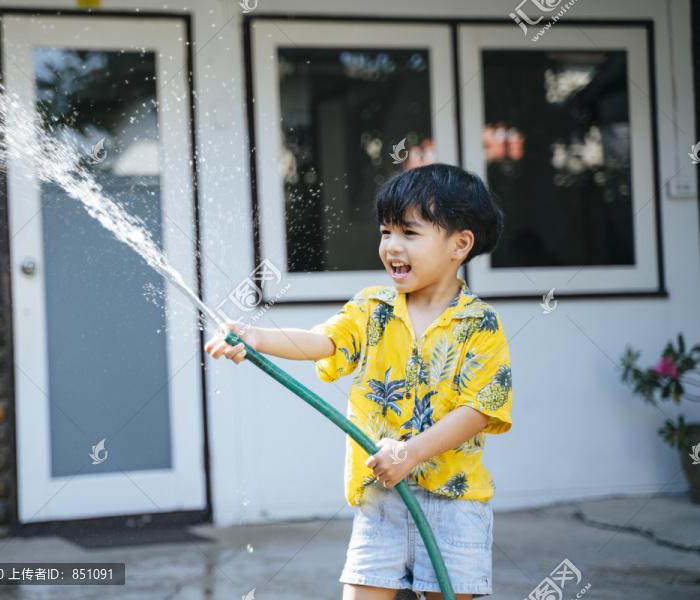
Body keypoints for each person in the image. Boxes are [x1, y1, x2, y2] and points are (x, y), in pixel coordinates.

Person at [205, 163, 513, 600]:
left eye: (409, 233)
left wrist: (410, 452)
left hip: (454, 505)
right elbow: (323, 341)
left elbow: (480, 410)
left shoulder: (480, 323)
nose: (391, 246)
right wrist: (256, 336)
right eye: (386, 232)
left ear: (460, 244)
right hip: (381, 499)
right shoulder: (373, 308)